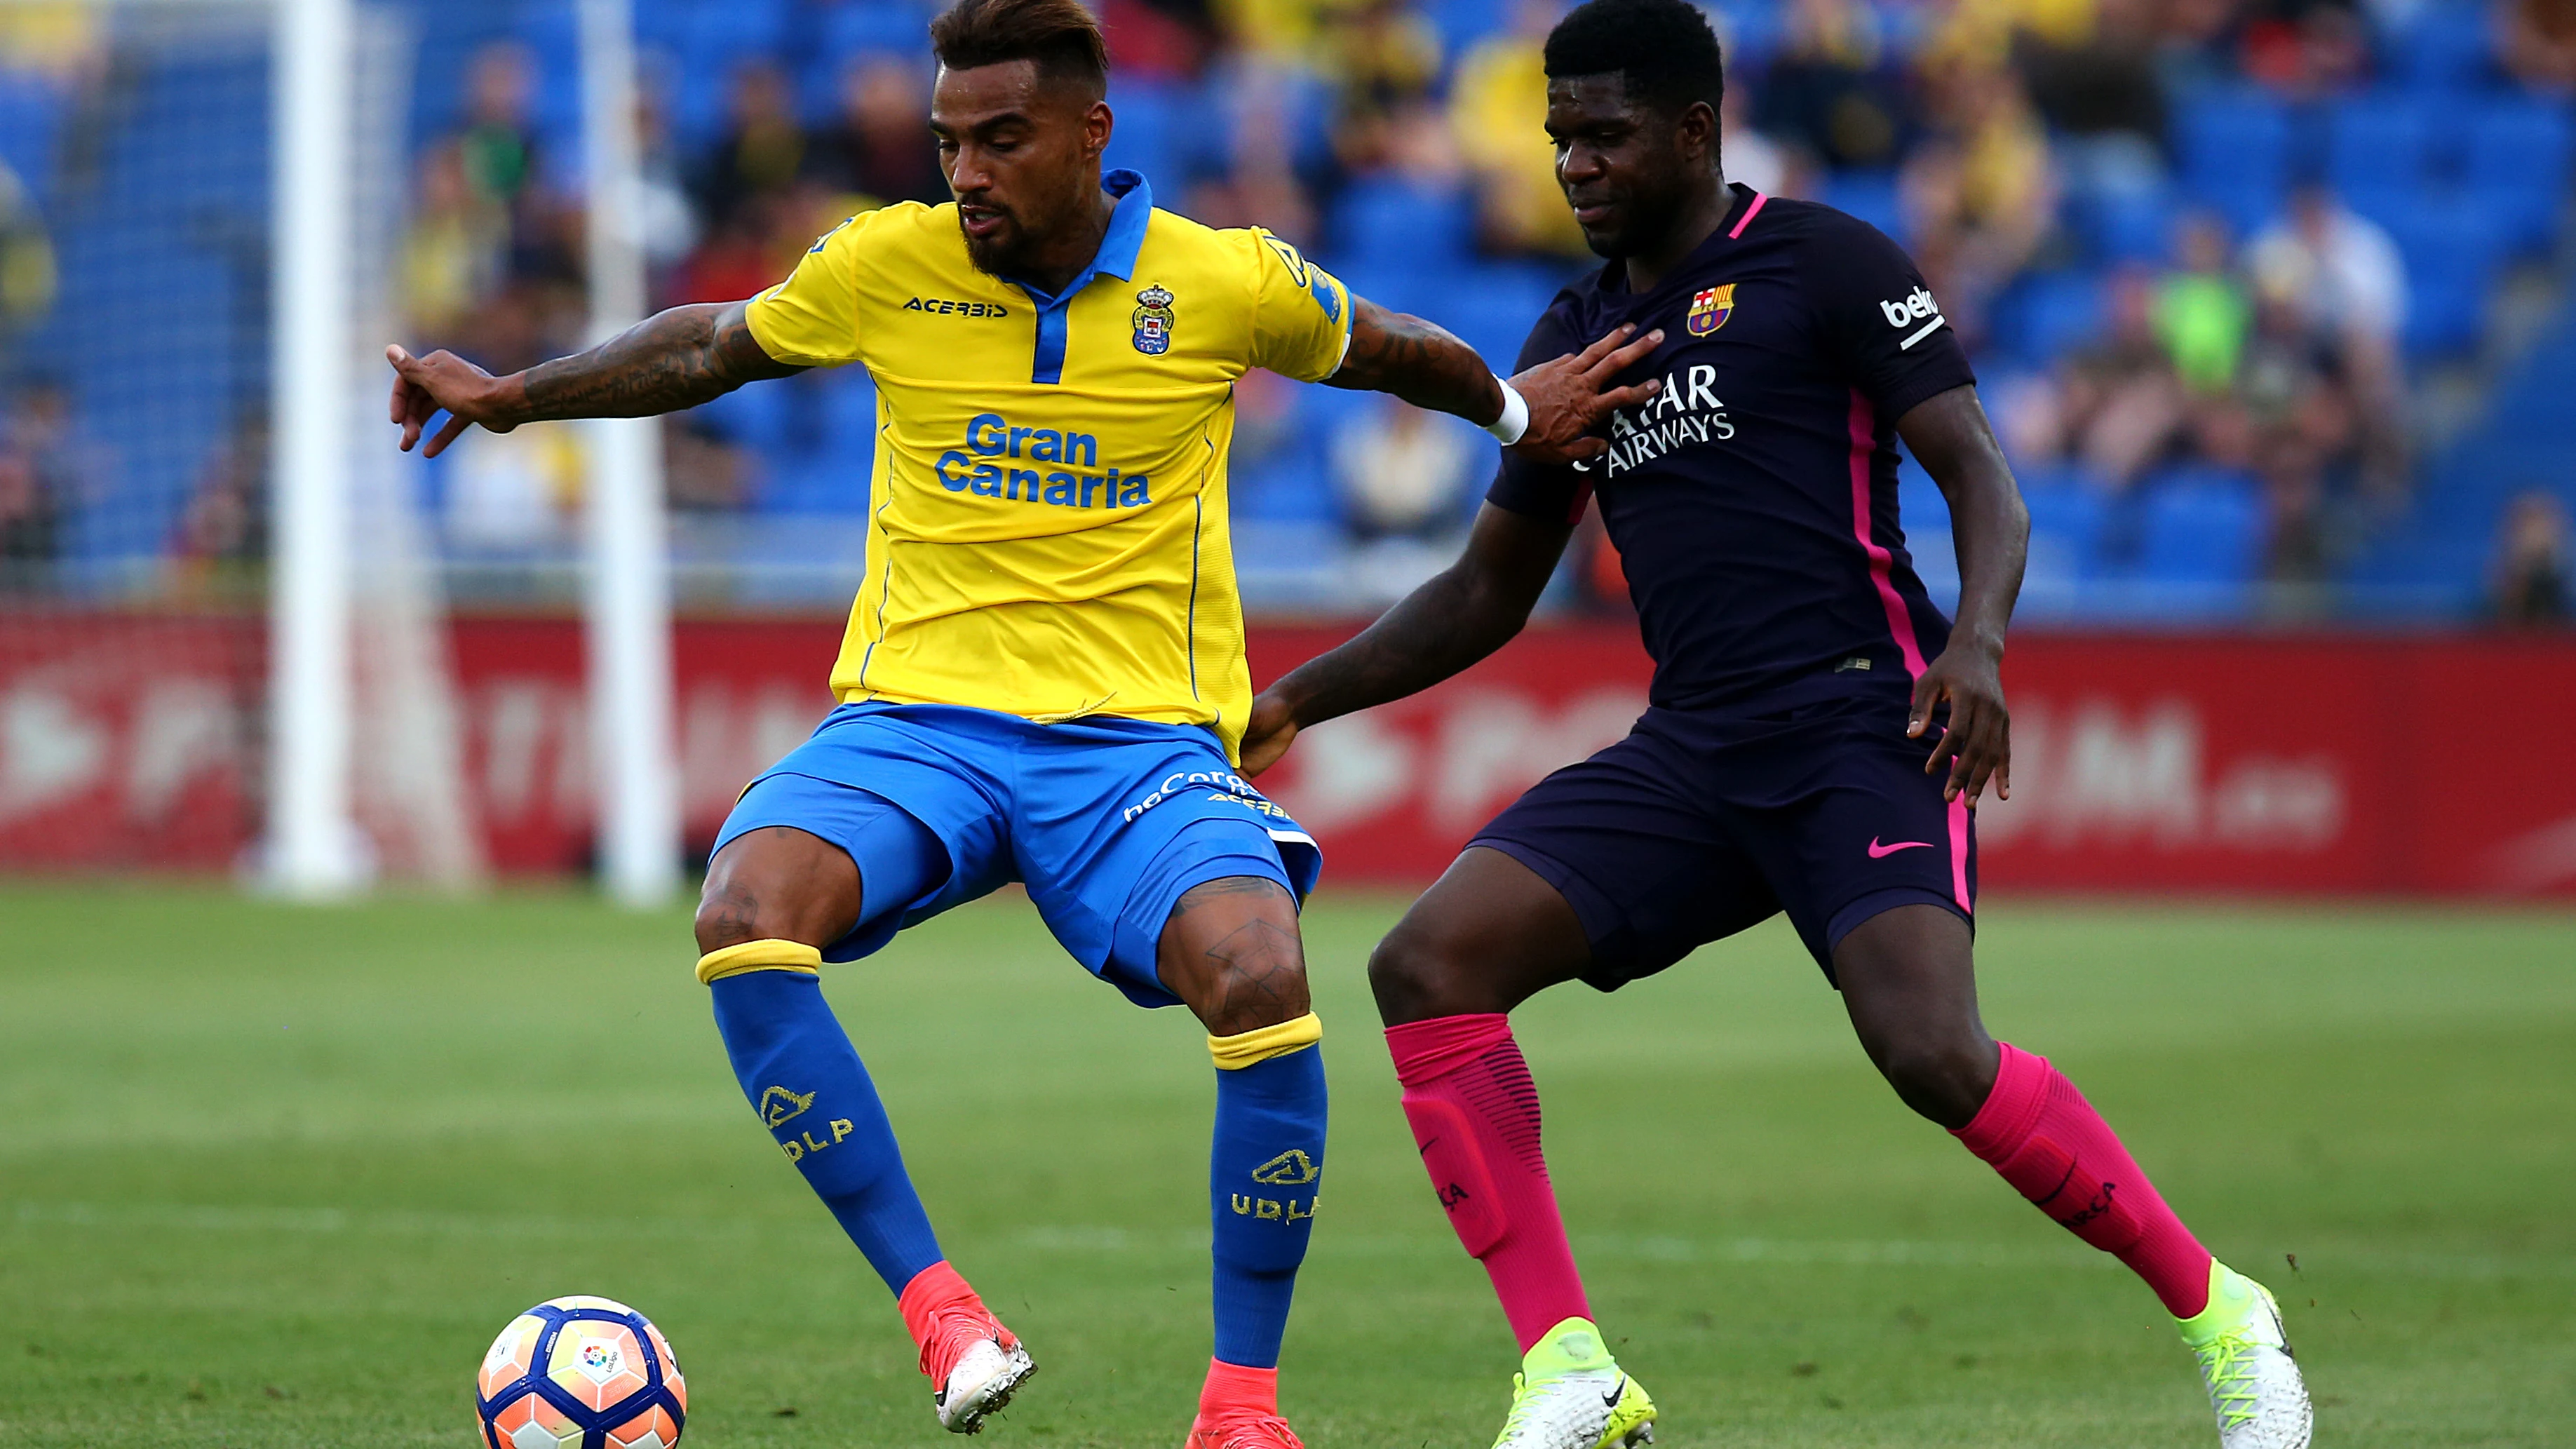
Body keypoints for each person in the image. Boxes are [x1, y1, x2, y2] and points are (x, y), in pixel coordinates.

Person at [382, 2, 1658, 1445]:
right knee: (743, 913)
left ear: (1091, 138)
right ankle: (941, 1309)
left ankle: (1242, 1407)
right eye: (947, 144)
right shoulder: (887, 262)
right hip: (918, 718)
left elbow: (1384, 349)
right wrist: (513, 399)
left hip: (1135, 744)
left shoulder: (1222, 283)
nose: (966, 174)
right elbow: (712, 349)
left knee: (1259, 968)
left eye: (1000, 142)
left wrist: (1504, 406)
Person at [1238, 4, 2315, 1448]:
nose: (1573, 164)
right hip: (1695, 750)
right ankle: (1571, 1368)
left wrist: (1978, 646)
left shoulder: (1826, 263)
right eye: (1559, 137)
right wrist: (1300, 695)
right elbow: (1489, 591)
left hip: (1867, 722)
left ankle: (2224, 1311)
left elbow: (1981, 476)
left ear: (1696, 129)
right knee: (1430, 965)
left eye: (1605, 135)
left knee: (1931, 1052)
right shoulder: (1574, 333)